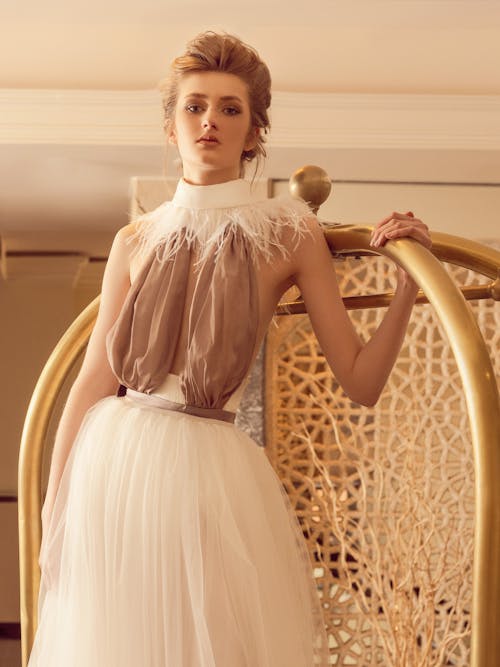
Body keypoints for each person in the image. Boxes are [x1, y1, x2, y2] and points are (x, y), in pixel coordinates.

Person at [28, 31, 431, 667]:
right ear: (171, 127)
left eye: (229, 108)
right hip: (110, 466)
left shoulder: (288, 231)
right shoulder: (135, 238)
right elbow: (92, 382)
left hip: (208, 470)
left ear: (254, 131)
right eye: (193, 106)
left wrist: (411, 284)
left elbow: (361, 381)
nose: (209, 121)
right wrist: (53, 507)